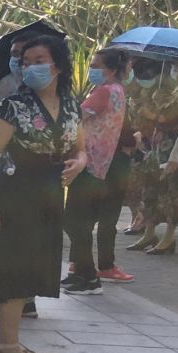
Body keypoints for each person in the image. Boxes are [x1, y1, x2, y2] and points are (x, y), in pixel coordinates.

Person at [0, 31, 86, 353]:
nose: (30, 68)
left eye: (39, 61)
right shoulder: (14, 106)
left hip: (51, 193)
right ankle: (8, 347)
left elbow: (80, 148)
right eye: (26, 62)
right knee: (14, 267)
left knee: (34, 267)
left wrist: (79, 163)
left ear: (58, 66)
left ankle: (8, 340)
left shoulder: (71, 104)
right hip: (18, 191)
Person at [63, 48, 135, 292]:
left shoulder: (104, 92)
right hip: (102, 163)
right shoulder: (118, 91)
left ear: (111, 70)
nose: (91, 70)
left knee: (74, 222)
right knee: (80, 221)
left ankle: (86, 275)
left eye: (96, 66)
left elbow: (74, 118)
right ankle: (82, 271)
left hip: (88, 162)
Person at [128, 59, 178, 255]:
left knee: (173, 192)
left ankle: (169, 238)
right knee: (151, 190)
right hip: (157, 145)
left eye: (177, 66)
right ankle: (149, 233)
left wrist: (174, 156)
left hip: (176, 149)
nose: (174, 70)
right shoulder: (166, 89)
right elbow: (156, 117)